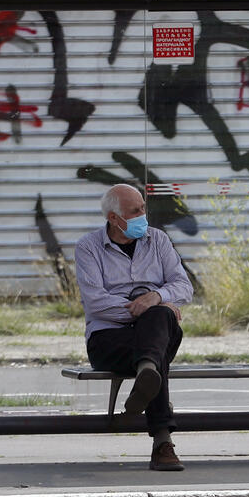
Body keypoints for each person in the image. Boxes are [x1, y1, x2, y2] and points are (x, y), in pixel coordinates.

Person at [74, 183, 193, 471]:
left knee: (157, 319)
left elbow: (184, 287)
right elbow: (96, 303)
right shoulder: (88, 247)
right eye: (135, 211)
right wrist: (146, 309)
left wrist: (156, 297)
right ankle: (162, 443)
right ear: (114, 218)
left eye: (143, 208)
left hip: (155, 332)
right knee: (154, 349)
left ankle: (147, 373)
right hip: (109, 341)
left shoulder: (159, 240)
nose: (143, 215)